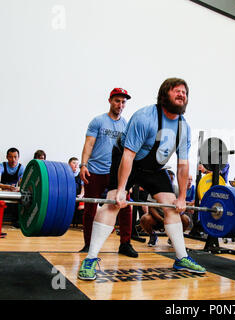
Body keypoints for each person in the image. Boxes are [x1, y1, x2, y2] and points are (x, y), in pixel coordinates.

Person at [78, 78, 206, 281]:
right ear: (164, 95)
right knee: (113, 203)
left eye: (185, 92)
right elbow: (128, 155)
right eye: (177, 91)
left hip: (154, 168)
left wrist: (182, 197)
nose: (182, 94)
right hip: (127, 160)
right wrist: (121, 190)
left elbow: (183, 165)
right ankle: (90, 258)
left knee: (172, 206)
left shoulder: (184, 127)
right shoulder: (144, 117)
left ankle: (181, 258)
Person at [79, 88, 136, 258]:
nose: (120, 104)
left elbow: (130, 152)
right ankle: (89, 244)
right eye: (117, 101)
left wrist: (129, 180)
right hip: (95, 170)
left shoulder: (126, 125)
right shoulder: (98, 121)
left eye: (123, 102)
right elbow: (89, 144)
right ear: (110, 101)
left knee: (125, 207)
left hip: (117, 174)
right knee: (90, 209)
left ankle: (125, 243)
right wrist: (83, 165)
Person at [0, 148, 25, 228]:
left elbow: (23, 184)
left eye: (15, 157)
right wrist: (5, 187)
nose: (13, 159)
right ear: (7, 157)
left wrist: (17, 188)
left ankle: (16, 221)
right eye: (10, 157)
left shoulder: (21, 168)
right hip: (2, 190)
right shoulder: (2, 166)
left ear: (18, 157)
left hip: (14, 192)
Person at [68, 157, 85, 226]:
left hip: (77, 195)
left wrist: (81, 194)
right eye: (74, 163)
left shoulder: (80, 174)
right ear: (69, 164)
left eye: (77, 164)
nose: (76, 165)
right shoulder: (66, 173)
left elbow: (83, 188)